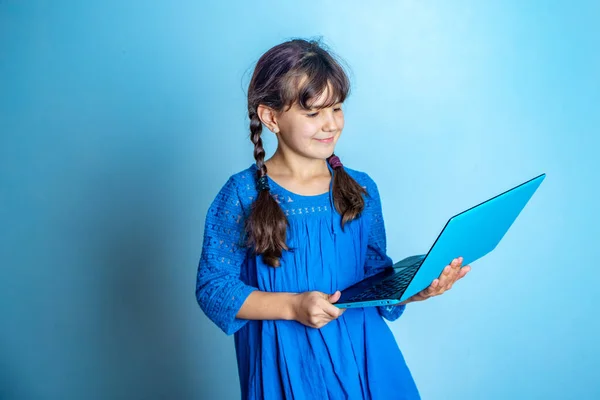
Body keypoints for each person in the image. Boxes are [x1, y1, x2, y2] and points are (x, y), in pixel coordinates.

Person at [196, 38, 471, 400]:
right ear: (271, 117)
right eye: (313, 113)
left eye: (337, 108)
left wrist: (414, 289)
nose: (330, 125)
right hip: (288, 366)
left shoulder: (360, 189)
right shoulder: (240, 195)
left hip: (365, 359)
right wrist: (293, 306)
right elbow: (214, 289)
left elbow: (375, 278)